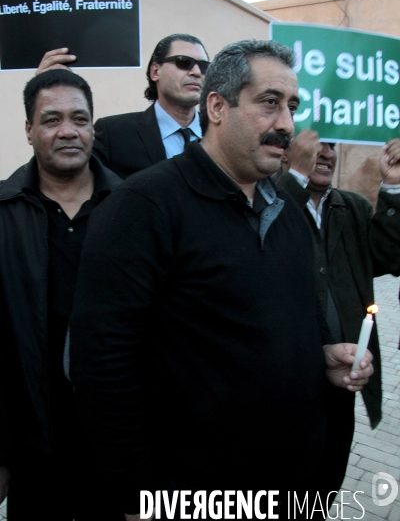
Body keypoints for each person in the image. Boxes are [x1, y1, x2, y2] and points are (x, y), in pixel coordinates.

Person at [69, 40, 373, 521]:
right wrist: (137, 499)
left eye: (291, 107)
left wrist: (322, 360)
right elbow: (100, 368)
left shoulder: (288, 215)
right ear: (216, 106)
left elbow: (274, 329)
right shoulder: (143, 206)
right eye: (269, 103)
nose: (286, 125)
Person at [0, 69, 123, 520]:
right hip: (33, 453)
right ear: (29, 130)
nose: (68, 130)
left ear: (93, 126)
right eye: (51, 120)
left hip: (119, 453)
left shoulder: (135, 210)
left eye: (79, 118)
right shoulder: (3, 213)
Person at [274, 129, 400, 502]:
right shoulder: (268, 200)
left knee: (326, 480)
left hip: (343, 377)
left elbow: (388, 257)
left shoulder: (353, 207)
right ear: (287, 151)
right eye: (315, 143)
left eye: (332, 144)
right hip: (285, 380)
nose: (326, 153)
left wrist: (392, 188)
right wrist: (294, 178)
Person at [36, 34, 210, 178]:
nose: (196, 72)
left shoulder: (220, 134)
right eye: (183, 62)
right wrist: (46, 88)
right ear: (155, 71)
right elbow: (67, 177)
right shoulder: (114, 133)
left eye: (203, 66)